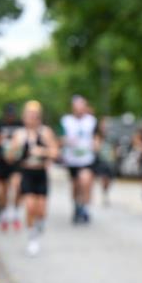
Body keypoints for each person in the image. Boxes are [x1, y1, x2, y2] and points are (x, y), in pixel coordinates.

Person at [8, 100, 59, 256]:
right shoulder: (19, 134)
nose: (31, 118)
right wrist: (14, 151)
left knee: (41, 210)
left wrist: (42, 152)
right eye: (29, 115)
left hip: (41, 173)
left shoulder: (46, 132)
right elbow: (9, 157)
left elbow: (55, 153)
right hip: (27, 172)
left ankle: (39, 223)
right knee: (30, 206)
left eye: (34, 115)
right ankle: (32, 238)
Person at [60, 95, 99, 224]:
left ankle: (85, 207)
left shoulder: (91, 121)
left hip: (87, 158)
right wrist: (66, 141)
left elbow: (97, 137)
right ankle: (77, 205)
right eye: (77, 107)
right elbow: (59, 138)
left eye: (82, 106)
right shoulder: (66, 121)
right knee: (76, 185)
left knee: (85, 180)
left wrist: (96, 144)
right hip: (72, 159)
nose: (80, 109)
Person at [0, 103, 23, 231]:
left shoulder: (20, 125)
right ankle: (3, 213)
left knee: (17, 186)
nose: (10, 116)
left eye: (12, 114)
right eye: (8, 114)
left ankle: (15, 212)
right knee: (3, 190)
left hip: (16, 162)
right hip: (2, 162)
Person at [94, 116, 117, 207]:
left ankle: (106, 191)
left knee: (109, 180)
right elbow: (96, 147)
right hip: (101, 160)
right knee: (103, 177)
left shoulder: (112, 136)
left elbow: (115, 147)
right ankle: (104, 194)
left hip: (110, 160)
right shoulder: (98, 135)